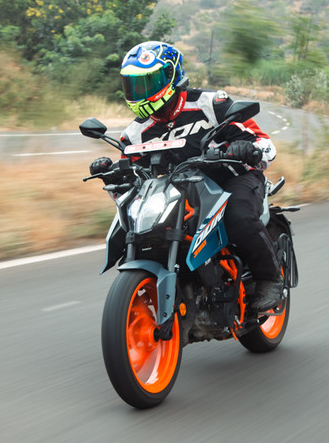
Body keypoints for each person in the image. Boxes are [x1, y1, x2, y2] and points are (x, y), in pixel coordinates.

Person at [89, 41, 283, 311]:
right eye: (133, 85)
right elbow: (131, 176)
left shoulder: (211, 104)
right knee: (132, 226)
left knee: (238, 216)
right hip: (177, 194)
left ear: (171, 76)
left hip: (229, 179)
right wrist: (111, 173)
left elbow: (266, 145)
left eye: (147, 82)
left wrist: (246, 149)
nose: (140, 92)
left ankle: (270, 280)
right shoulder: (134, 133)